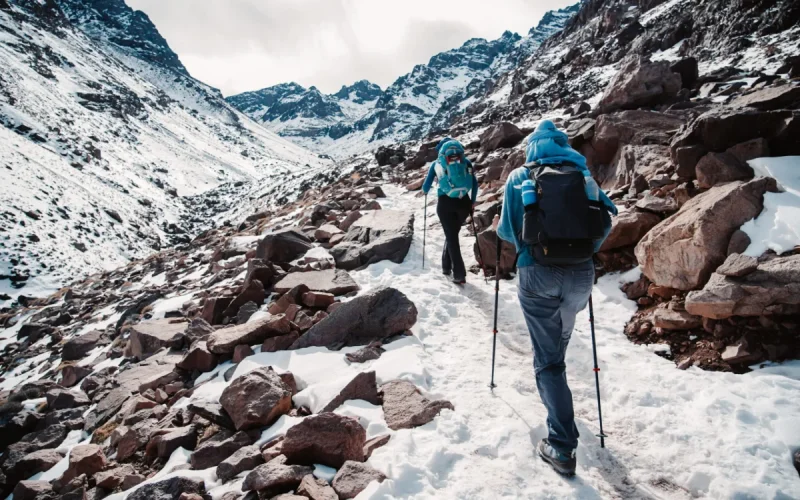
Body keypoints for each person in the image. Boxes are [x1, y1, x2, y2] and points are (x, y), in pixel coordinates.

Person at [494, 120, 617, 476]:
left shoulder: (520, 176)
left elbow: (504, 229)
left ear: (532, 146)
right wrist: (585, 249)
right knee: (559, 338)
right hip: (580, 274)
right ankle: (557, 387)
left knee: (548, 361)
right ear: (563, 144)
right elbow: (608, 220)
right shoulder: (583, 174)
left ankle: (562, 446)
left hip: (537, 271)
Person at [422, 138, 479, 285]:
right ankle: (446, 267)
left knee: (452, 237)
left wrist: (427, 190)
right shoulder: (465, 162)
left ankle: (459, 273)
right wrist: (472, 202)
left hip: (446, 204)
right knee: (452, 233)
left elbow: (425, 187)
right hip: (464, 203)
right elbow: (475, 183)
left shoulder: (437, 164)